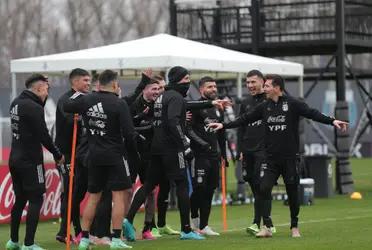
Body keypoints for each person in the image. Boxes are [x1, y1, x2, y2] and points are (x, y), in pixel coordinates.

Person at [208, 74, 348, 238]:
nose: (264, 89)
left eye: (267, 86)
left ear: (277, 88)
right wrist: (223, 125)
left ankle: (294, 226)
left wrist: (332, 121)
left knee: (292, 192)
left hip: (289, 158)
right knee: (263, 188)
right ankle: (267, 226)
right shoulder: (264, 107)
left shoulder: (293, 104)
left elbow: (312, 113)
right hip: (270, 159)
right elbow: (244, 119)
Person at [123, 66, 206, 241]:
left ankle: (128, 219)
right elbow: (173, 121)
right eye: (185, 79)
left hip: (156, 148)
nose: (188, 83)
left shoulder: (162, 96)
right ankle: (186, 230)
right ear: (176, 80)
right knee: (182, 185)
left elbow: (156, 119)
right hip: (172, 148)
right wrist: (185, 145)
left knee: (148, 186)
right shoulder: (175, 97)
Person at [64, 70, 136, 249]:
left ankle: (85, 238)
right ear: (114, 85)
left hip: (94, 156)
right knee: (118, 196)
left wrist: (83, 92)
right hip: (115, 156)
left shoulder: (87, 99)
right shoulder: (119, 104)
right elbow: (129, 133)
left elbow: (67, 104)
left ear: (98, 84)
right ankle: (117, 239)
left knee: (93, 197)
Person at [6, 74, 64, 250]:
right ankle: (29, 244)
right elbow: (43, 136)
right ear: (38, 88)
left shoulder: (16, 102)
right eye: (46, 88)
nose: (47, 91)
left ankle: (13, 241)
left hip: (15, 158)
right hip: (30, 161)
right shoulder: (33, 107)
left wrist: (45, 89)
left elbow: (37, 108)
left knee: (20, 199)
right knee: (36, 199)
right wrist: (57, 154)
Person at [237, 70, 275, 235]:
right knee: (254, 187)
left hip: (265, 151)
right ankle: (266, 222)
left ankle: (259, 222)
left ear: (262, 82)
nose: (250, 86)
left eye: (253, 82)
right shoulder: (245, 102)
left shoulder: (271, 100)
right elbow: (241, 127)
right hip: (248, 151)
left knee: (263, 187)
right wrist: (240, 150)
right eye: (248, 83)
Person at [54, 68, 91, 243]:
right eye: (85, 80)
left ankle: (76, 230)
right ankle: (63, 231)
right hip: (66, 154)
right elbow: (70, 120)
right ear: (74, 82)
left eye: (89, 80)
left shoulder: (85, 98)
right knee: (69, 193)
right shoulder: (65, 100)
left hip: (81, 153)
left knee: (76, 193)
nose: (88, 83)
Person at [188, 76, 227, 236]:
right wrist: (201, 143)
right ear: (202, 89)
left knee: (210, 190)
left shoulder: (218, 107)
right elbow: (188, 129)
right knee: (199, 188)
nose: (214, 89)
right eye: (210, 87)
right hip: (199, 155)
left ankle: (204, 225)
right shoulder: (196, 106)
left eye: (215, 86)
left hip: (214, 156)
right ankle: (193, 220)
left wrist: (223, 154)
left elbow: (221, 132)